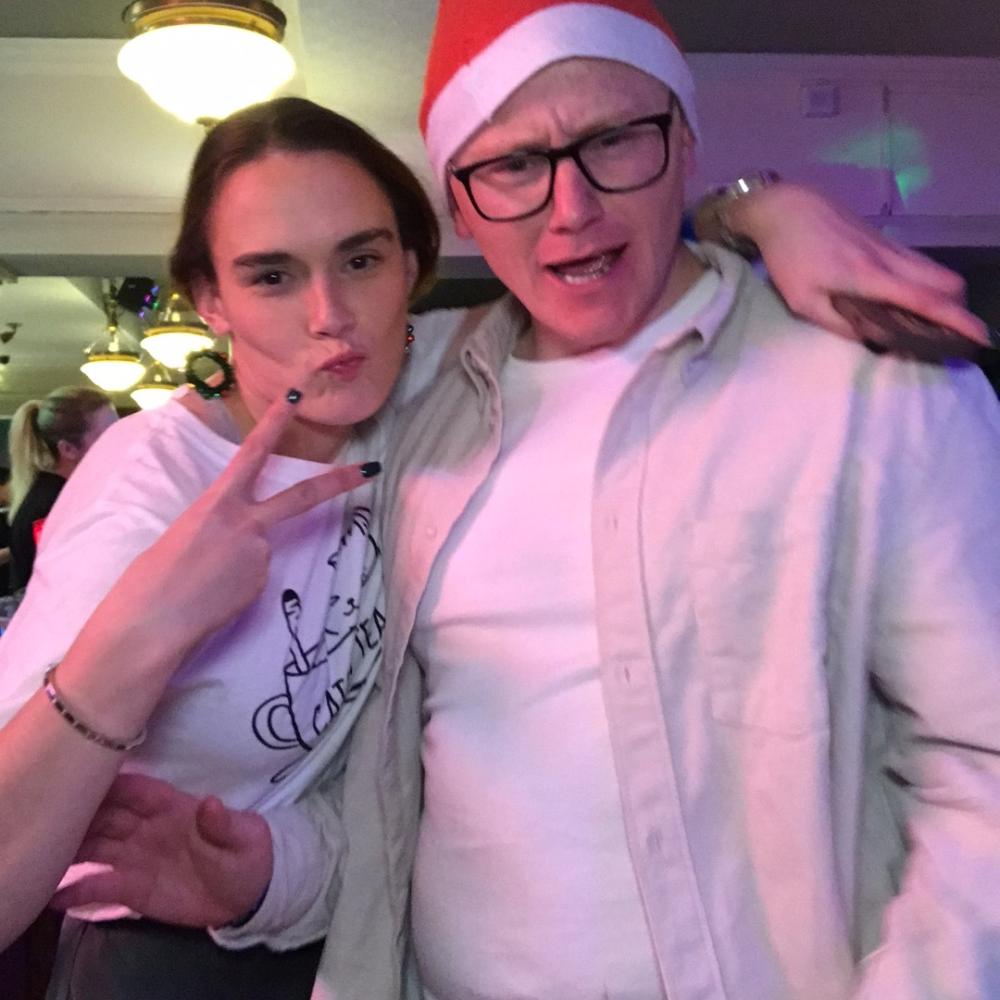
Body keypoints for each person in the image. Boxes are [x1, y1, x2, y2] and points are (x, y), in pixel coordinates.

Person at [2, 31, 995, 1000]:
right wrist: (145, 638)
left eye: (616, 140)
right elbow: (398, 789)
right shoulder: (334, 420)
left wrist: (755, 206)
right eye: (514, 164)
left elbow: (978, 762)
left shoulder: (870, 385)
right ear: (464, 204)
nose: (572, 207)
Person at [0, 97, 440, 998]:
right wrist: (145, 628)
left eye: (360, 260)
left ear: (409, 265)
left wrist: (736, 220)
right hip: (157, 959)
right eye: (272, 276)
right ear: (211, 300)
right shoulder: (149, 482)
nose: (330, 315)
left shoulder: (417, 413)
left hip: (331, 929)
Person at [6, 387, 117, 592]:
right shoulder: (52, 505)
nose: (121, 443)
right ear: (68, 449)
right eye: (108, 436)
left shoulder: (62, 495)